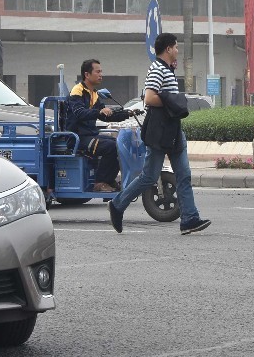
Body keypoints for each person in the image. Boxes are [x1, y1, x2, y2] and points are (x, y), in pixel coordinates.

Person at [107, 33, 210, 236]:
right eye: (176, 47)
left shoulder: (167, 70)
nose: (178, 51)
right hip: (160, 131)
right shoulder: (157, 69)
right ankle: (117, 205)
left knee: (184, 175)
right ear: (169, 49)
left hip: (173, 129)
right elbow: (149, 98)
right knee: (149, 177)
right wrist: (173, 101)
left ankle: (189, 219)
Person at [64, 59, 130, 192]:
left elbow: (105, 115)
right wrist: (98, 111)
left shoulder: (94, 94)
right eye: (97, 71)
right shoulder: (77, 91)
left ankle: (109, 180)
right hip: (77, 137)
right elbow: (79, 113)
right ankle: (100, 182)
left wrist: (128, 113)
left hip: (90, 135)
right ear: (87, 74)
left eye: (101, 71)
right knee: (110, 147)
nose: (101, 74)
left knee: (120, 143)